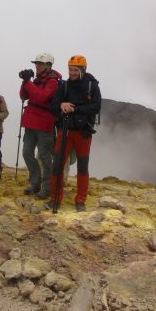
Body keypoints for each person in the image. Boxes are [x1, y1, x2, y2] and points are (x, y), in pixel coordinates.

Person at [48, 55, 101, 212]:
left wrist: (75, 109)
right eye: (70, 69)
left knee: (82, 167)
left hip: (83, 132)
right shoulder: (65, 86)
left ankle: (80, 200)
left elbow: (96, 106)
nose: (72, 73)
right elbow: (53, 105)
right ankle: (55, 199)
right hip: (65, 130)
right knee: (57, 165)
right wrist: (61, 105)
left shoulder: (92, 85)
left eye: (75, 70)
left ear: (83, 70)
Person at [19, 53, 61, 199]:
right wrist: (25, 81)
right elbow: (23, 96)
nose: (37, 66)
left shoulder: (53, 82)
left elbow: (41, 97)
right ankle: (35, 183)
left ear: (48, 66)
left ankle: (47, 187)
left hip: (44, 123)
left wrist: (28, 82)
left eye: (40, 64)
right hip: (31, 122)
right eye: (36, 64)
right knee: (27, 153)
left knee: (44, 156)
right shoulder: (36, 80)